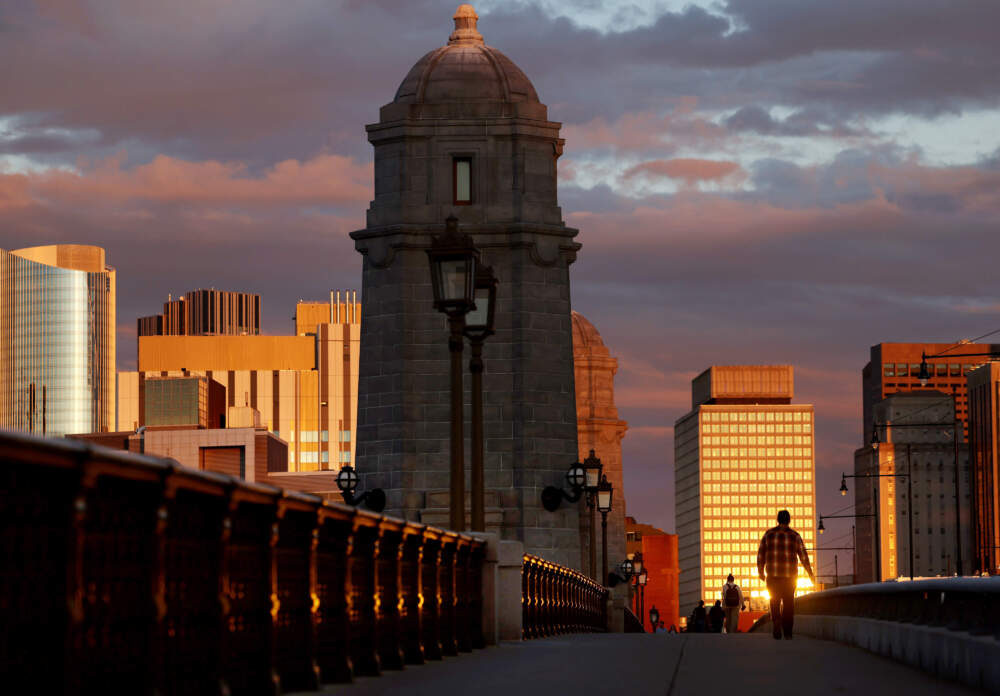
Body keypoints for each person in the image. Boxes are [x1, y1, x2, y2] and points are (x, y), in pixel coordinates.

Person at [757, 509, 815, 640]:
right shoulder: (795, 536)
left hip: (772, 575)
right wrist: (810, 574)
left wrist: (761, 572)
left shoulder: (768, 534)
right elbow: (803, 557)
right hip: (790, 577)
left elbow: (761, 554)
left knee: (774, 600)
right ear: (789, 520)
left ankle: (776, 620)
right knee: (789, 603)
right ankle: (788, 632)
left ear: (777, 520)